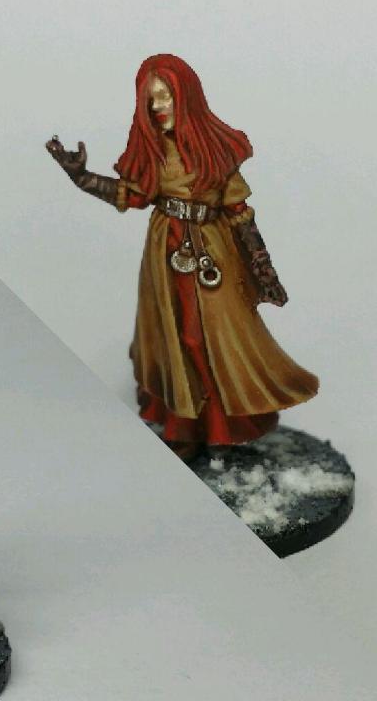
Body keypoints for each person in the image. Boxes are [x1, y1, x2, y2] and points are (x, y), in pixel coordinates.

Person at [46, 54, 318, 460]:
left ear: (185, 95)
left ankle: (226, 421)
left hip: (212, 250)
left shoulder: (217, 150)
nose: (158, 106)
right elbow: (131, 195)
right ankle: (187, 426)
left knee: (214, 335)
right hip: (166, 249)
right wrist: (83, 178)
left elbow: (240, 211)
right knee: (174, 337)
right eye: (151, 98)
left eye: (166, 96)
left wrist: (263, 268)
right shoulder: (152, 151)